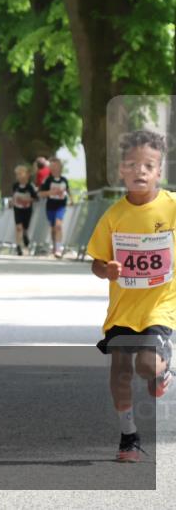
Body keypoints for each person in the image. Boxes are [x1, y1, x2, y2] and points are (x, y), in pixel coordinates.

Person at [88, 129, 175, 463]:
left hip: (161, 306)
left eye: (148, 165)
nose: (140, 171)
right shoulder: (113, 216)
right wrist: (106, 270)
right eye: (132, 164)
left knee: (146, 363)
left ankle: (163, 370)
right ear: (121, 170)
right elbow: (96, 262)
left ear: (158, 171)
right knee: (120, 372)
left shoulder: (171, 207)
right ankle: (128, 436)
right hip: (123, 310)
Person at [38, 157, 70, 258]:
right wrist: (51, 192)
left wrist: (72, 200)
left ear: (61, 168)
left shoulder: (64, 180)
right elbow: (41, 193)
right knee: (53, 228)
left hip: (61, 205)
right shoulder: (47, 180)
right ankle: (54, 246)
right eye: (53, 166)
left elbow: (68, 191)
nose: (55, 168)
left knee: (58, 226)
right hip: (51, 206)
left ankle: (58, 249)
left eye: (57, 166)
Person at [11, 164, 39, 256]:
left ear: (26, 175)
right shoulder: (15, 186)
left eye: (20, 174)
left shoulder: (30, 187)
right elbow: (13, 196)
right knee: (18, 227)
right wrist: (12, 201)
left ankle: (25, 235)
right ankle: (18, 246)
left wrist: (26, 200)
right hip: (17, 208)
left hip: (27, 209)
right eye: (17, 175)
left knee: (25, 228)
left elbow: (36, 198)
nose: (18, 177)